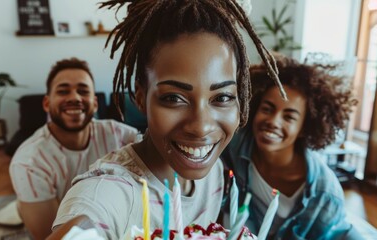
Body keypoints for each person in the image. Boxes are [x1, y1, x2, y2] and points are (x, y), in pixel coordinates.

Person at [47, 0, 285, 239]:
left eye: (222, 97)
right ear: (140, 98)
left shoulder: (213, 176)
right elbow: (86, 220)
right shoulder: (110, 192)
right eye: (174, 98)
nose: (201, 126)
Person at [221, 55, 360, 239]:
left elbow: (342, 234)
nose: (273, 121)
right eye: (267, 109)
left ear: (304, 128)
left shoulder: (324, 194)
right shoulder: (237, 143)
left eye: (289, 117)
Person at [9, 57, 139, 239]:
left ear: (94, 103)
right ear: (46, 103)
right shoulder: (28, 162)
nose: (75, 98)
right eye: (63, 91)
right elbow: (50, 235)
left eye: (83, 91)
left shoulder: (121, 136)